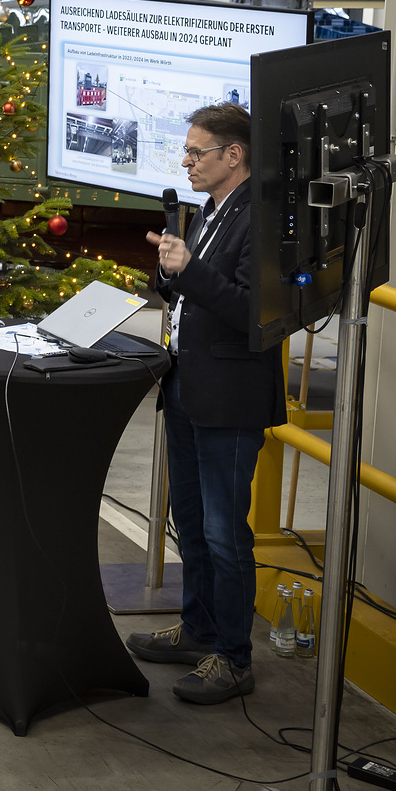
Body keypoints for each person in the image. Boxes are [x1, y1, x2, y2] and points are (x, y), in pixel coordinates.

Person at [127, 102, 279, 706]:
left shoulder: (262, 218)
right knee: (188, 523)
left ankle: (235, 659)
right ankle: (198, 632)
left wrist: (188, 270)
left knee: (223, 534)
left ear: (233, 155)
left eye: (196, 152)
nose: (186, 162)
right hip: (188, 385)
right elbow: (190, 290)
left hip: (231, 397)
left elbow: (252, 311)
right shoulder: (206, 210)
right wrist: (169, 272)